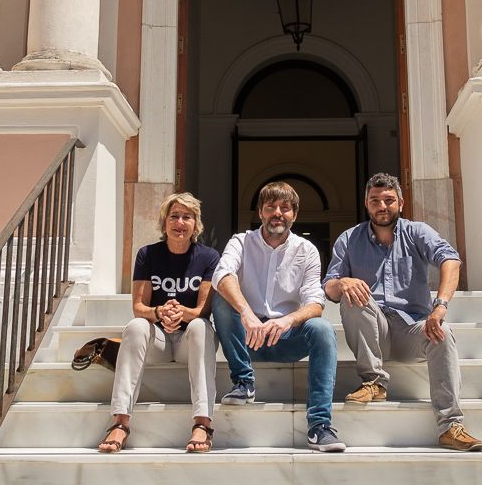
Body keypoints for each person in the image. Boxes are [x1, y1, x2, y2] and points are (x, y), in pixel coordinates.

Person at [323, 173, 482, 452]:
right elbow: (329, 288)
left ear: (401, 203)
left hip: (413, 328)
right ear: (366, 204)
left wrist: (440, 306)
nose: (382, 206)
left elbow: (451, 260)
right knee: (353, 293)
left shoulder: (417, 232)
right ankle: (373, 382)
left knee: (443, 333)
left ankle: (450, 427)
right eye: (375, 200)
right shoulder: (349, 239)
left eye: (388, 200)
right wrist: (342, 282)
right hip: (374, 331)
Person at [212, 181, 345, 452]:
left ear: (294, 215)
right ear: (260, 212)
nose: (277, 213)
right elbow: (222, 274)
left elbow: (316, 302)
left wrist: (286, 321)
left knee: (321, 328)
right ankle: (243, 382)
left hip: (285, 337)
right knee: (221, 297)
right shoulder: (241, 241)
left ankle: (319, 426)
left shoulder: (306, 250)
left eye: (285, 208)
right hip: (246, 339)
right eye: (270, 207)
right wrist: (247, 313)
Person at [97, 192, 220, 454]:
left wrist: (180, 313)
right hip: (159, 342)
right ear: (164, 223)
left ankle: (203, 423)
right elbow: (139, 307)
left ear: (195, 224)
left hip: (190, 342)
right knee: (135, 326)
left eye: (187, 217)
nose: (180, 222)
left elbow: (203, 310)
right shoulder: (148, 255)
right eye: (174, 216)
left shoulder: (208, 257)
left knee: (201, 326)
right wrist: (160, 311)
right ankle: (120, 421)